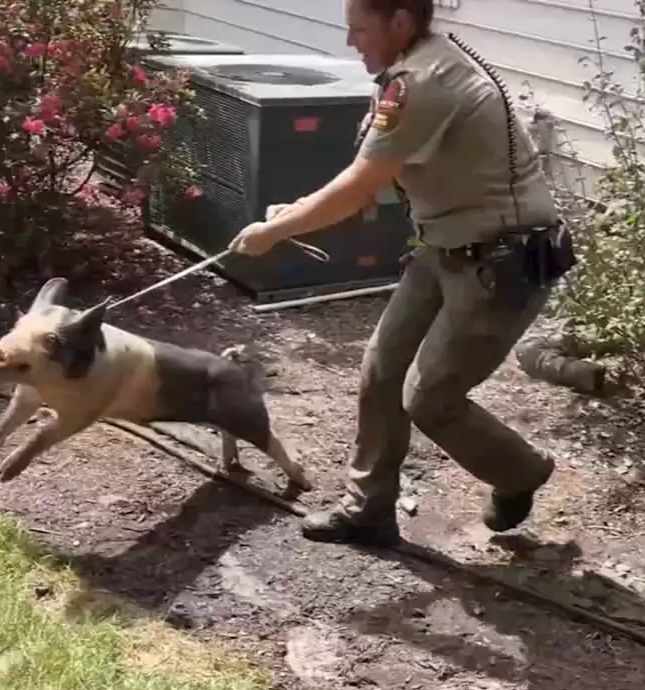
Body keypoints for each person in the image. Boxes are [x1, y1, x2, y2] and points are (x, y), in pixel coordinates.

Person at [227, 0, 574, 547]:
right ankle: (368, 511)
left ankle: (521, 472)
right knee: (381, 371)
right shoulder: (411, 68)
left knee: (430, 397)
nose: (350, 42)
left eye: (359, 29)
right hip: (444, 247)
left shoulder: (426, 81)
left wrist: (278, 230)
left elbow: (362, 185)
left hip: (501, 263)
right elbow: (376, 177)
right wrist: (296, 213)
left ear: (400, 22)